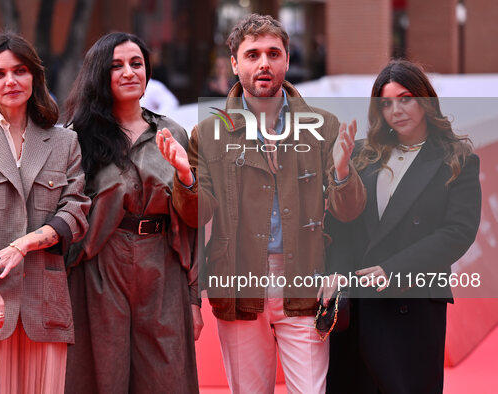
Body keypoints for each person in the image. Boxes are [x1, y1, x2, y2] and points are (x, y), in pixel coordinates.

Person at [158, 13, 366, 394]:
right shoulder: (208, 133)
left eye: (273, 53)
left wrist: (340, 171)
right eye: (252, 55)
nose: (264, 63)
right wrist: (184, 178)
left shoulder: (324, 126)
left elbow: (348, 212)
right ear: (235, 64)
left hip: (305, 280)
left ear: (288, 60)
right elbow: (195, 214)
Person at [0, 32, 90, 394]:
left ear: (35, 78)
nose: (11, 81)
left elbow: (76, 210)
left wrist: (22, 246)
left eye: (20, 71)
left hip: (43, 302)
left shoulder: (64, 141)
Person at [325, 59, 482, 394]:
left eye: (406, 98)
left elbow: (458, 232)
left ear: (425, 99)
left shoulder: (457, 158)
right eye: (386, 102)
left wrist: (392, 270)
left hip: (413, 304)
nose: (396, 109)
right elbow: (342, 227)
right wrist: (337, 272)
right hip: (357, 305)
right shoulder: (362, 155)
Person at [64, 32, 201, 393]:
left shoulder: (173, 133)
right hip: (99, 268)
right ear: (99, 74)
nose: (129, 72)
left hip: (163, 266)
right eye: (116, 66)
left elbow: (194, 223)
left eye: (136, 64)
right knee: (101, 376)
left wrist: (193, 297)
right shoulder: (75, 136)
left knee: (167, 376)